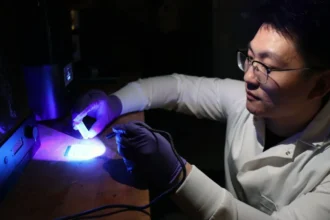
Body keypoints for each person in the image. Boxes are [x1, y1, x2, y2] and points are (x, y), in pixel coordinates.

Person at [72, 0, 330, 219]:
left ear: (320, 84)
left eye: (268, 68)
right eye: (250, 59)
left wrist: (177, 175)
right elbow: (178, 88)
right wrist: (113, 104)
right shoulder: (245, 100)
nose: (249, 77)